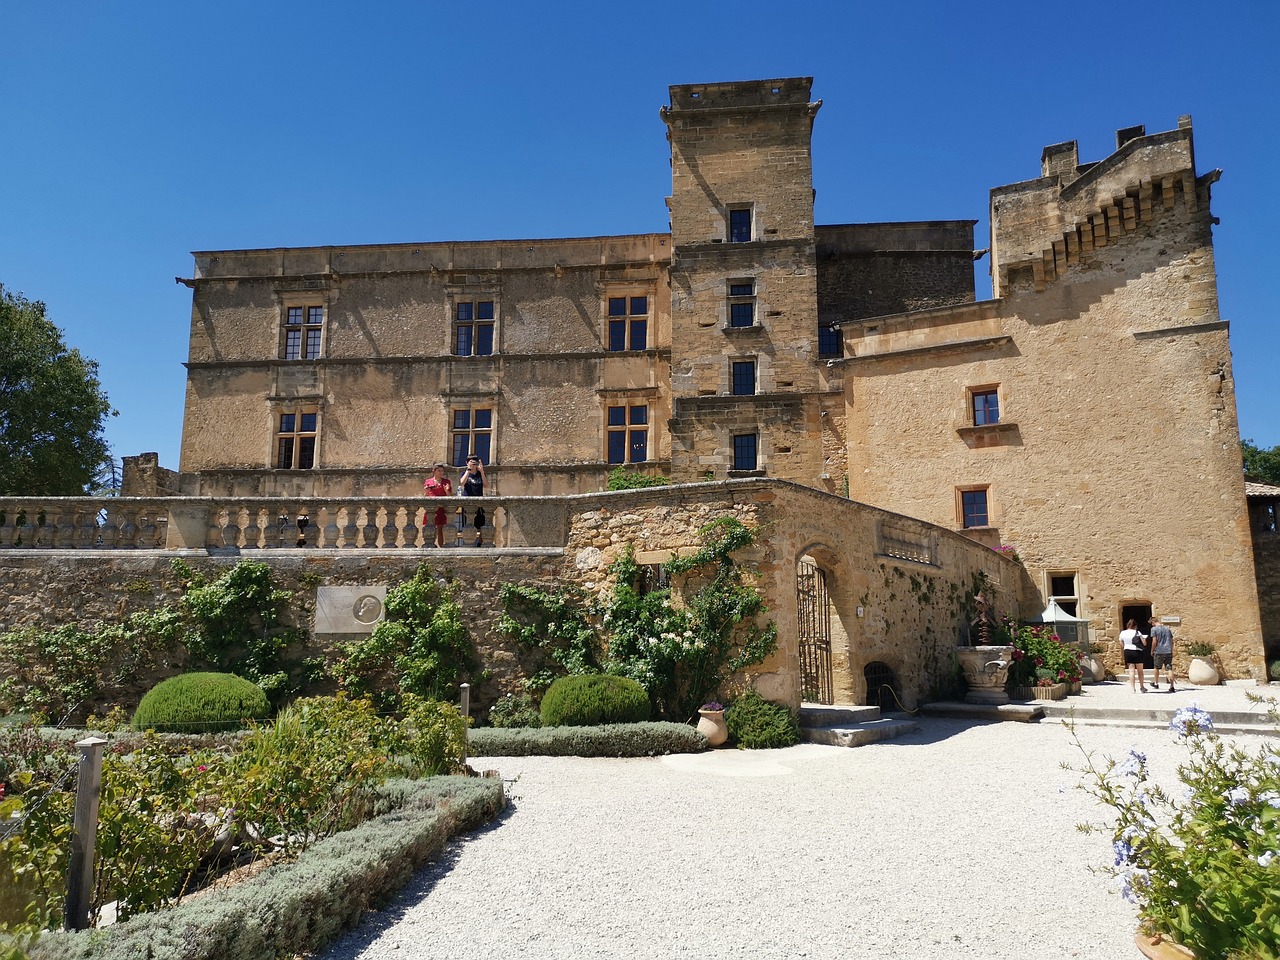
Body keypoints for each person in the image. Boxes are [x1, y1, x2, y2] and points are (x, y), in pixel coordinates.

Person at [458, 454, 487, 547]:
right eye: (471, 462)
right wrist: (468, 470)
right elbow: (462, 482)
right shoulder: (464, 473)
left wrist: (482, 471)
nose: (474, 464)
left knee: (483, 525)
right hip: (468, 503)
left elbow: (486, 485)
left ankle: (479, 543)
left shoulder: (479, 474)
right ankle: (468, 543)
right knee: (468, 525)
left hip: (479, 503)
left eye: (475, 462)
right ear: (467, 463)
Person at [423, 463, 453, 547]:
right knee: (429, 527)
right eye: (439, 471)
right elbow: (425, 496)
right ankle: (429, 545)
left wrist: (447, 490)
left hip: (442, 508)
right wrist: (426, 491)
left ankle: (441, 547)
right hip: (431, 507)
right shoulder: (428, 481)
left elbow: (450, 496)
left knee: (440, 528)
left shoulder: (446, 482)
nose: (441, 473)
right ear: (434, 471)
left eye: (442, 471)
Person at [1120, 618, 1149, 692]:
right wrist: (1145, 639)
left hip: (1128, 651)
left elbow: (1121, 644)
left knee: (1131, 671)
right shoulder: (1138, 632)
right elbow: (1144, 643)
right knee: (1140, 671)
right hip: (1137, 651)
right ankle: (1142, 687)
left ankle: (1133, 688)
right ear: (1135, 626)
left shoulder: (1123, 633)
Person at [1149, 615, 1176, 692]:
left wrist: (1152, 650)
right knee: (1169, 668)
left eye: (1152, 623)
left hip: (1159, 651)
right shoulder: (1167, 629)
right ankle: (1172, 686)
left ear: (1153, 622)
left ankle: (1156, 683)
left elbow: (1154, 641)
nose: (1152, 625)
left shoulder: (1154, 629)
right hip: (1168, 650)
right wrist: (1171, 649)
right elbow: (1171, 640)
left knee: (1156, 667)